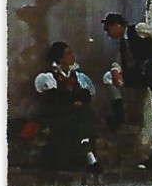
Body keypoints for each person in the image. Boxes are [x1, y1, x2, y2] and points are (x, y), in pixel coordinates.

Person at [101, 13, 152, 170]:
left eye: (108, 30)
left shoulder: (139, 29)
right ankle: (118, 115)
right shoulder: (124, 42)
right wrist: (116, 70)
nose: (108, 34)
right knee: (108, 78)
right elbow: (121, 60)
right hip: (143, 72)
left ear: (116, 26)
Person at [34, 42, 102, 175]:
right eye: (68, 53)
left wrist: (80, 101)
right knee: (76, 116)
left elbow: (86, 95)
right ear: (60, 58)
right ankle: (88, 154)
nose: (72, 56)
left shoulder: (78, 77)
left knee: (85, 111)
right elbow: (54, 99)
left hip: (77, 115)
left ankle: (86, 147)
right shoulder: (49, 78)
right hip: (60, 116)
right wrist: (72, 102)